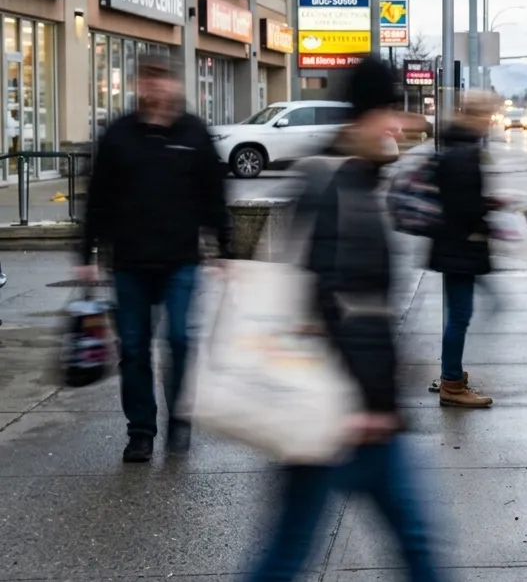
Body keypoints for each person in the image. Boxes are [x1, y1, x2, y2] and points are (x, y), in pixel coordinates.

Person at [247, 56, 447, 582]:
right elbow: (340, 304)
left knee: (295, 548)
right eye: (390, 111)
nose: (399, 125)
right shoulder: (340, 186)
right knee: (412, 545)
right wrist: (370, 403)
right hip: (341, 409)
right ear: (366, 114)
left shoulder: (350, 178)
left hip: (340, 404)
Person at [76, 55, 232, 464]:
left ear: (175, 86)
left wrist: (226, 249)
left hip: (181, 261)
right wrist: (86, 253)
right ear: (138, 84)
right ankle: (141, 431)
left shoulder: (194, 133)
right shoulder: (119, 134)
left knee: (180, 339)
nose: (156, 87)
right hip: (128, 263)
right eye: (148, 79)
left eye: (163, 80)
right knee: (133, 348)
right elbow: (97, 199)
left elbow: (214, 196)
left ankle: (180, 417)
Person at [426, 90, 502, 408]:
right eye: (488, 116)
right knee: (460, 316)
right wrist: (485, 218)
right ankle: (452, 384)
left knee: (459, 314)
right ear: (477, 116)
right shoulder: (465, 154)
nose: (490, 122)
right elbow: (462, 207)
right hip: (460, 247)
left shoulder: (456, 146)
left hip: (452, 246)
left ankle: (451, 373)